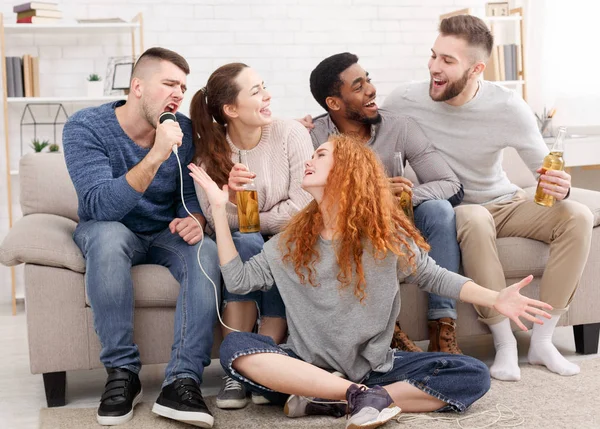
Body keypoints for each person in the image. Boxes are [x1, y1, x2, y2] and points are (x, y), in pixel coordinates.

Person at [189, 134, 553, 429]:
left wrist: (495, 298)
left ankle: (340, 399)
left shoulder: (382, 238)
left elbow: (434, 275)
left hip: (377, 368)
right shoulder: (289, 241)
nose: (308, 161)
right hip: (308, 366)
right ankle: (356, 396)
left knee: (473, 376)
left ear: (347, 170)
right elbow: (238, 278)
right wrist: (220, 212)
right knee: (236, 349)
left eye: (320, 154)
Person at [382, 15, 594, 381]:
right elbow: (365, 129)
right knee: (475, 218)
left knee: (578, 215)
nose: (434, 67)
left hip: (506, 201)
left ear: (477, 69)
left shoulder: (507, 106)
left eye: (447, 61)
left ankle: (543, 341)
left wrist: (561, 184)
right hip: (458, 209)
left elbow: (543, 168)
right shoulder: (404, 99)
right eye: (434, 56)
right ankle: (505, 344)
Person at [63, 47, 219, 427]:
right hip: (110, 229)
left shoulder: (182, 128)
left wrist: (195, 218)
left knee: (206, 250)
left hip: (162, 234)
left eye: (182, 86)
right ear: (137, 86)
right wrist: (155, 156)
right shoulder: (85, 128)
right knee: (109, 236)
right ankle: (122, 374)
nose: (178, 93)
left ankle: (182, 381)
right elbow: (101, 206)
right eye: (169, 83)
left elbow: (186, 197)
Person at [305, 52, 465, 354]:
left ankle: (442, 326)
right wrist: (371, 195)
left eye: (368, 80)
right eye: (358, 86)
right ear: (334, 103)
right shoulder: (314, 138)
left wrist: (407, 195)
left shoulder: (400, 127)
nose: (371, 90)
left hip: (399, 223)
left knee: (440, 210)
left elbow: (451, 184)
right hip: (349, 226)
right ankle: (388, 329)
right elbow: (310, 201)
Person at [190, 63, 314, 409]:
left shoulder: (291, 134)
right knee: (246, 243)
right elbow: (217, 226)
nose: (267, 95)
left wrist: (251, 220)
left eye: (264, 86)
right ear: (231, 110)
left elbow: (305, 205)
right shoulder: (208, 156)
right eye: (256, 91)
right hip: (246, 248)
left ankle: (257, 367)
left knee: (266, 242)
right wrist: (229, 200)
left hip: (289, 241)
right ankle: (240, 369)